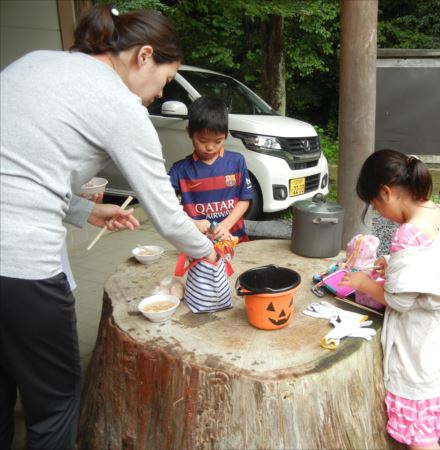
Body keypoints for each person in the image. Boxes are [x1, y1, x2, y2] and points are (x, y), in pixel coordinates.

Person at [0, 5, 217, 449]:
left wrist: (85, 212)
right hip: (19, 266)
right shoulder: (119, 105)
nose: (159, 93)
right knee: (56, 402)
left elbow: (20, 173)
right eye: (164, 79)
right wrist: (206, 251)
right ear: (144, 56)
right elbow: (166, 213)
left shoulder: (34, 62)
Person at [339, 150, 440, 450]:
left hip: (417, 345)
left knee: (418, 426)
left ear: (386, 192)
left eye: (376, 206)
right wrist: (393, 264)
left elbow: (399, 300)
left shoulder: (407, 235)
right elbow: (434, 261)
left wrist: (363, 282)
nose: (380, 213)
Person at [169, 96, 254, 241]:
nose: (209, 147)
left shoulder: (236, 162)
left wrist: (226, 225)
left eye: (218, 141)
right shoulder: (180, 170)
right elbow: (167, 206)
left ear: (226, 136)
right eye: (202, 140)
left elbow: (244, 199)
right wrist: (194, 223)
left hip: (235, 240)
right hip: (198, 244)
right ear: (189, 132)